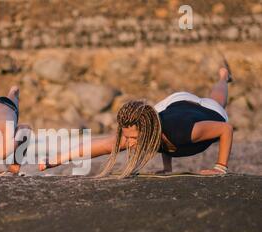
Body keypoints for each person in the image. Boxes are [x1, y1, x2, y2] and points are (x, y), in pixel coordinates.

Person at [39, 62, 234, 178]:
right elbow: (99, 145)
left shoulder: (188, 132)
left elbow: (226, 129)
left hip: (207, 111)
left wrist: (220, 167)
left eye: (133, 138)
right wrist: (57, 160)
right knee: (144, 127)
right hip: (173, 102)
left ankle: (223, 77)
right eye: (128, 137)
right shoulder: (144, 128)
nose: (130, 143)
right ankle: (223, 76)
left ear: (148, 131)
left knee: (217, 100)